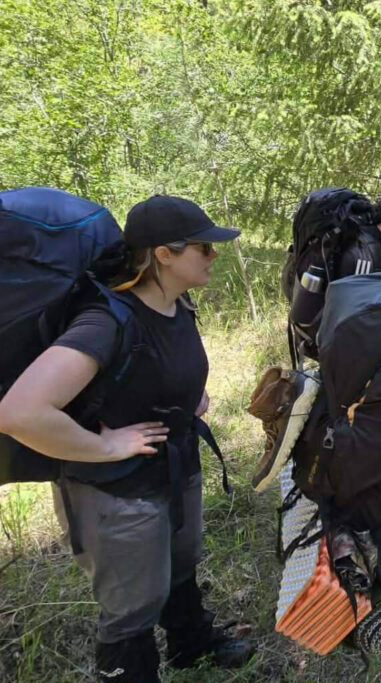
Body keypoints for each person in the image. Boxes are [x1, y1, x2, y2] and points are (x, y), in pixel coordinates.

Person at [0, 195, 253, 682]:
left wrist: (189, 400)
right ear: (163, 253)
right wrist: (105, 447)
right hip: (116, 485)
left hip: (174, 462)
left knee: (180, 565)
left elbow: (163, 365)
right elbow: (19, 411)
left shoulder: (178, 303)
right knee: (131, 605)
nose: (213, 255)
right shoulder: (105, 321)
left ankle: (190, 642)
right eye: (203, 247)